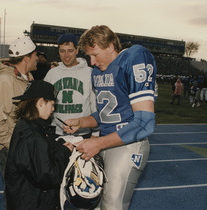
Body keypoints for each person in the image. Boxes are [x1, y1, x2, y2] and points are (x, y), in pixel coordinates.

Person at [62, 25, 157, 210]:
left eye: (95, 54)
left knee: (113, 205)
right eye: (89, 56)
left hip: (127, 144)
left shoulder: (133, 58)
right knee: (93, 202)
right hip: (105, 143)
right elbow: (106, 114)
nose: (91, 62)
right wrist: (81, 122)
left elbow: (145, 123)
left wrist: (98, 143)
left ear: (111, 46)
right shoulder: (98, 72)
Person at [5, 80, 73, 210]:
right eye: (52, 104)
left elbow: (40, 157)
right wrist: (64, 153)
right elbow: (48, 176)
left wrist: (59, 145)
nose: (53, 109)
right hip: (33, 202)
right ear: (41, 102)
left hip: (28, 198)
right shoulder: (32, 135)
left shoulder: (28, 126)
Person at [0, 36, 37, 178]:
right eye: (35, 55)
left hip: (26, 145)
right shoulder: (4, 81)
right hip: (12, 149)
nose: (37, 58)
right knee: (15, 196)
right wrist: (13, 143)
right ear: (26, 58)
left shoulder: (27, 78)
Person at [44, 33, 99, 139]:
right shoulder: (52, 73)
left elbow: (95, 104)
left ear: (77, 50)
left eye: (70, 50)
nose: (66, 55)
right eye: (62, 51)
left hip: (83, 133)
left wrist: (95, 133)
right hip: (56, 132)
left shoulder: (89, 72)